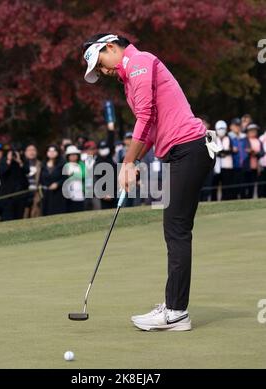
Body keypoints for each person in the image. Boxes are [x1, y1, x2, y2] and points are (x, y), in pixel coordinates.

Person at [83, 33, 217, 331]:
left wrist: (129, 162)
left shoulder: (140, 62)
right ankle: (173, 306)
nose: (103, 72)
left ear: (110, 47)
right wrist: (134, 162)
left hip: (189, 150)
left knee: (176, 230)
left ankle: (176, 312)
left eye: (101, 63)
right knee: (175, 229)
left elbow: (144, 117)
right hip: (182, 153)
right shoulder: (131, 78)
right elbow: (153, 127)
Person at [40, 144, 66, 216]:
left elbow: (65, 178)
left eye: (54, 151)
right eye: (49, 151)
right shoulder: (43, 164)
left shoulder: (62, 164)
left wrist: (57, 184)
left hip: (58, 193)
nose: (51, 153)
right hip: (46, 193)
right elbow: (40, 179)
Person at [212, 120, 234, 201]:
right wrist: (221, 153)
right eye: (219, 128)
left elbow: (232, 150)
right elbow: (212, 150)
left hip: (227, 166)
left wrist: (222, 152)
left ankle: (225, 201)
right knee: (214, 186)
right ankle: (213, 201)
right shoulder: (213, 138)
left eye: (223, 128)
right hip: (216, 167)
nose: (221, 130)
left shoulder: (229, 138)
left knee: (226, 186)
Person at [63, 145, 85, 212]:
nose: (73, 156)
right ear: (68, 156)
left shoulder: (81, 164)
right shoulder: (65, 165)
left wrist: (73, 175)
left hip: (80, 191)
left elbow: (84, 174)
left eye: (74, 154)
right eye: (71, 155)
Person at [23, 143, 42, 218]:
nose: (31, 152)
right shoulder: (21, 164)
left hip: (36, 193)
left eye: (33, 150)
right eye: (29, 150)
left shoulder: (40, 164)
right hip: (24, 193)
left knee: (35, 213)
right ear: (25, 152)